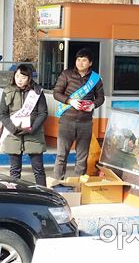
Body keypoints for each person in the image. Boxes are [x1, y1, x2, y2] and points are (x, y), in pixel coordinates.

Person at [53, 48, 105, 180]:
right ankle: (57, 182)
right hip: (67, 121)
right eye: (78, 59)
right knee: (61, 155)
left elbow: (101, 98)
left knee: (82, 156)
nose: (80, 63)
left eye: (84, 60)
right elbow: (56, 93)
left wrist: (93, 105)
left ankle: (78, 185)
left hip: (85, 122)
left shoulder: (95, 78)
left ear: (90, 63)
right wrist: (70, 101)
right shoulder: (66, 74)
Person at [0, 64, 48, 186]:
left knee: (38, 170)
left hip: (34, 135)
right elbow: (2, 113)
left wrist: (32, 129)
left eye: (23, 77)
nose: (19, 79)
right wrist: (13, 129)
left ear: (29, 78)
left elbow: (43, 113)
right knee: (14, 171)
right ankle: (15, 196)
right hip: (14, 135)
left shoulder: (37, 92)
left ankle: (43, 196)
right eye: (17, 76)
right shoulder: (7, 91)